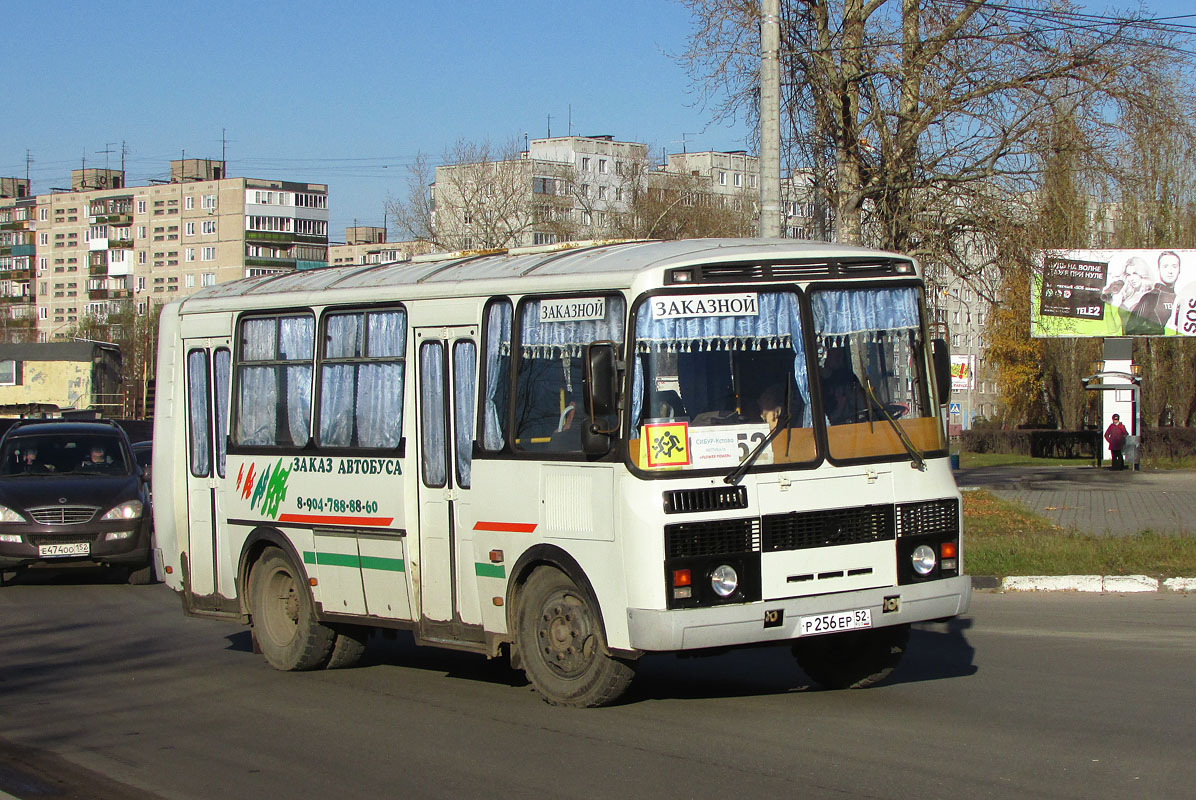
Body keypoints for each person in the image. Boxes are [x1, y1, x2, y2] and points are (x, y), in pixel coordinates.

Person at [1129, 251, 1182, 335]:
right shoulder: (1150, 297)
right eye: (1165, 266)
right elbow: (1130, 329)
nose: (1170, 271)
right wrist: (1163, 331)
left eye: (1174, 266)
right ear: (1159, 269)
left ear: (1179, 270)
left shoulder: (1180, 298)